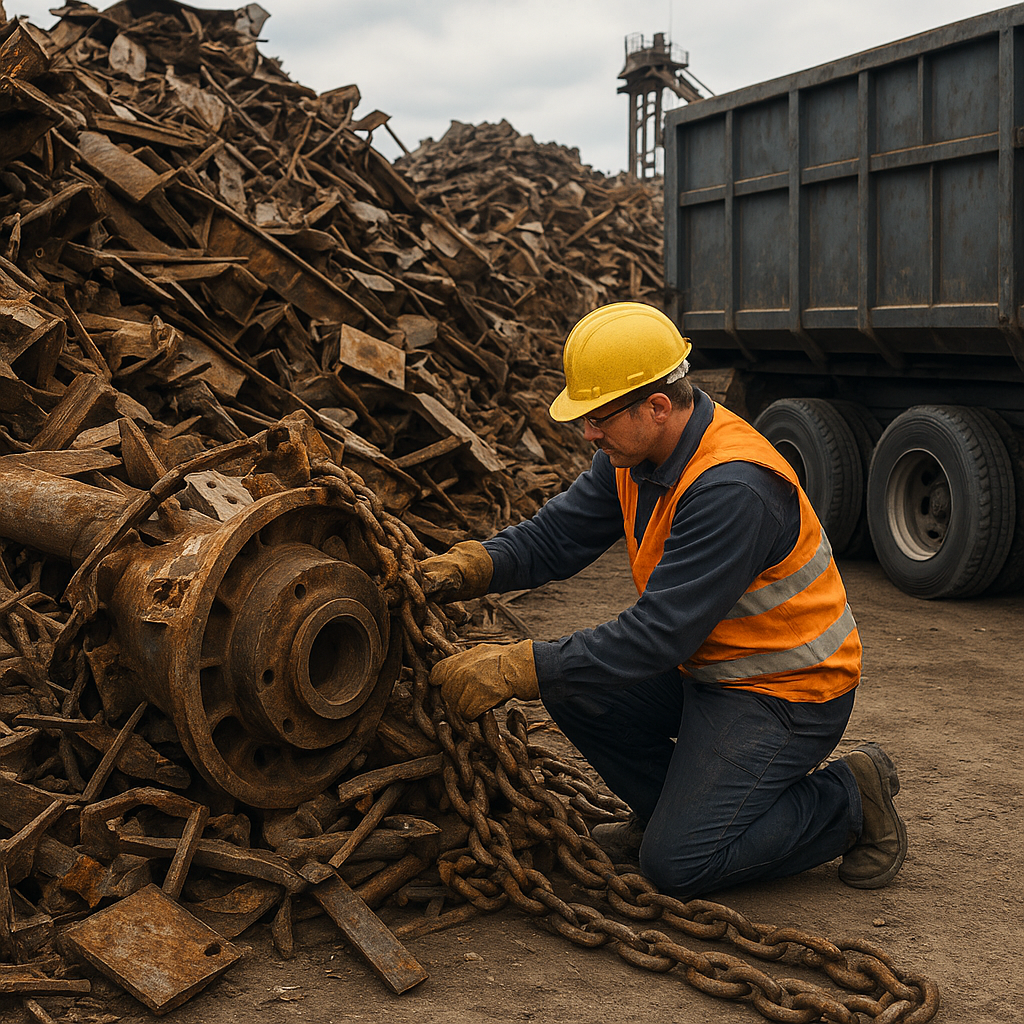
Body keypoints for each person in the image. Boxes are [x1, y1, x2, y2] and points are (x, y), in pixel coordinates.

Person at [423, 302, 907, 900]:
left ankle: (848, 799)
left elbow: (657, 635)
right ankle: (670, 813)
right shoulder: (635, 453)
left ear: (656, 406)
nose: (589, 433)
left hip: (784, 691)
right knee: (574, 687)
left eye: (598, 418)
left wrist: (517, 666)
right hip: (707, 668)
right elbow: (557, 537)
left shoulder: (733, 487)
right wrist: (470, 566)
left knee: (678, 866)